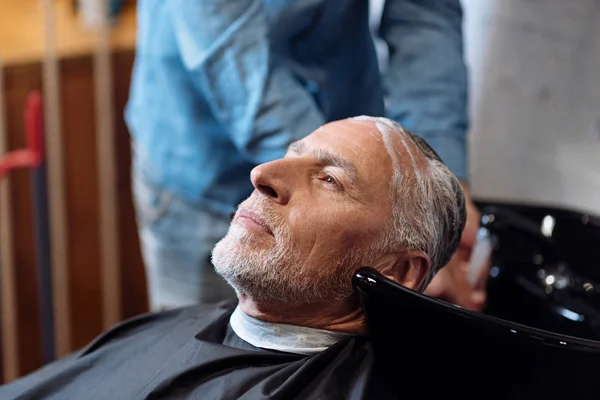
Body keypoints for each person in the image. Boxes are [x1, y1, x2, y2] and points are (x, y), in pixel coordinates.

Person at [0, 117, 466, 399]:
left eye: (329, 180)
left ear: (398, 270)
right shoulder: (177, 327)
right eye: (289, 155)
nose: (261, 174)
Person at [125, 0, 484, 311]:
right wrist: (327, 173)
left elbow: (425, 20)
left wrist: (439, 189)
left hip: (344, 124)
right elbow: (232, 52)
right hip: (202, 160)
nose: (262, 177)